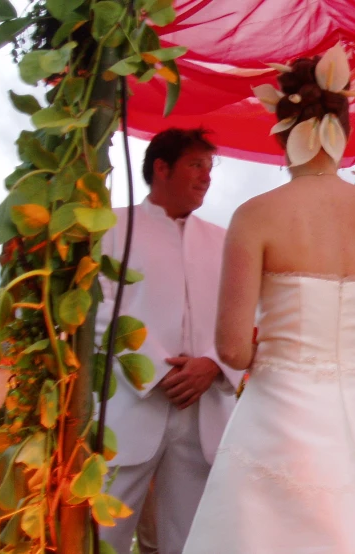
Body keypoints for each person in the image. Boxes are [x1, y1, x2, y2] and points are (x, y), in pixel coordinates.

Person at [183, 44, 355, 553]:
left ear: (281, 129)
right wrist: (354, 365)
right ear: (343, 127)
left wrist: (291, 361)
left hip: (280, 416)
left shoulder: (256, 216)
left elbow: (233, 349)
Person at [96, 128, 242, 554]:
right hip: (129, 405)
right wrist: (154, 369)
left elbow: (248, 312)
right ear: (161, 168)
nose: (206, 177)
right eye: (196, 165)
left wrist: (215, 364)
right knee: (104, 535)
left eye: (209, 168)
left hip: (205, 409)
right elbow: (98, 310)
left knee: (195, 540)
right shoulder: (112, 229)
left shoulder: (225, 239)